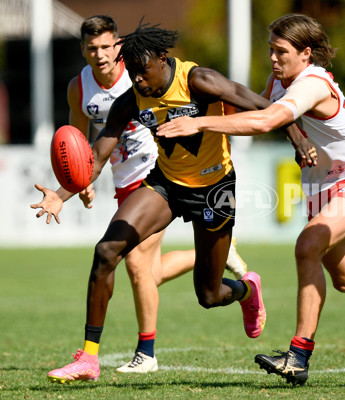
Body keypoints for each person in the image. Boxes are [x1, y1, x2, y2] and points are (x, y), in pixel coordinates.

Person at [33, 20, 315, 384]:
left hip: (215, 187)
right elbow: (96, 159)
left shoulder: (198, 80)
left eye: (142, 71)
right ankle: (88, 357)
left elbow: (266, 106)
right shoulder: (131, 100)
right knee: (106, 252)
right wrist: (61, 193)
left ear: (162, 59)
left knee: (209, 295)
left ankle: (246, 288)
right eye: (131, 73)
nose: (136, 80)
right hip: (166, 185)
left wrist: (298, 138)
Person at [156, 13, 345, 387]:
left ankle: (298, 356)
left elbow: (267, 121)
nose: (273, 58)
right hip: (321, 187)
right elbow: (256, 112)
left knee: (307, 246)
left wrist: (197, 123)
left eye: (281, 51)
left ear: (306, 53)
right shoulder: (279, 81)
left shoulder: (312, 83)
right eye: (270, 50)